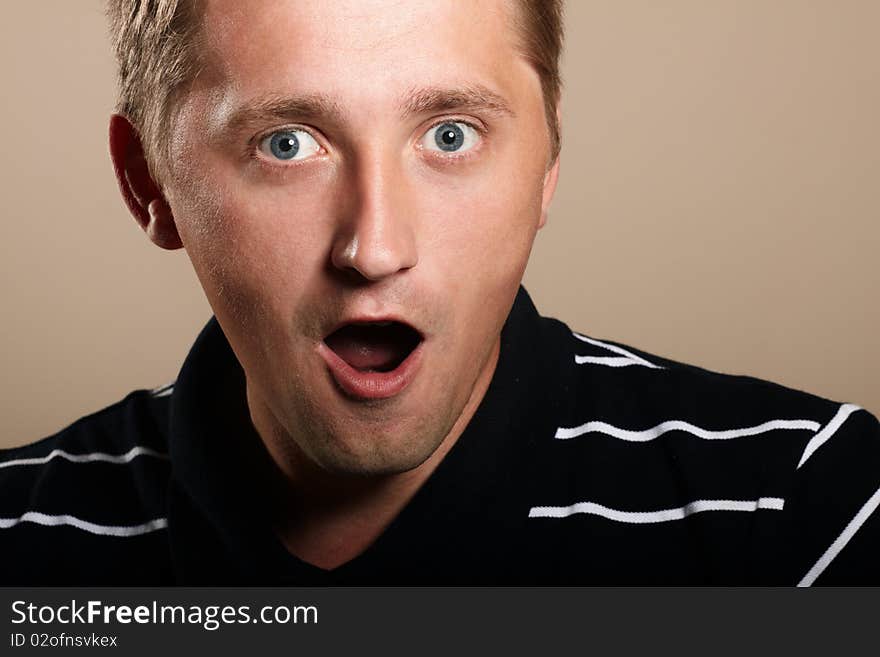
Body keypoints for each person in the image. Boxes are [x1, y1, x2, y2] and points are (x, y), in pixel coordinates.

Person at [1, 0, 877, 585]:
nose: (375, 248)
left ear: (548, 165)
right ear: (147, 181)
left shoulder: (804, 512)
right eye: (286, 144)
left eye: (450, 134)